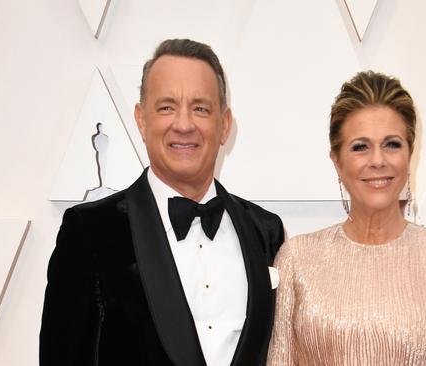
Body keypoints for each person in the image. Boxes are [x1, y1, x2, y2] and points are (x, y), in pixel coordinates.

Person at [40, 39, 285, 366]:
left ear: (224, 124)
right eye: (167, 107)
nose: (184, 125)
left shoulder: (265, 230)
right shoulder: (90, 231)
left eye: (200, 108)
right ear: (142, 120)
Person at [267, 71, 426, 365]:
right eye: (360, 146)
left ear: (410, 154)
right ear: (336, 160)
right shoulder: (297, 259)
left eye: (392, 144)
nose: (378, 160)